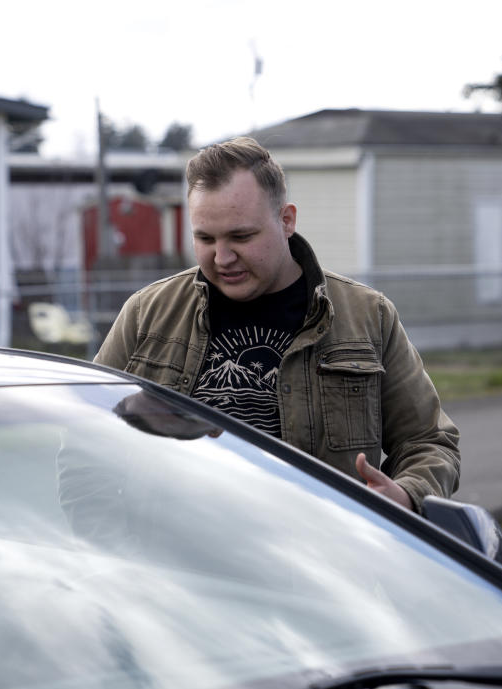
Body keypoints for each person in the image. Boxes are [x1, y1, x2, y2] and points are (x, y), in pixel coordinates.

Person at [94, 136, 459, 512]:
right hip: (173, 563)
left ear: (286, 221)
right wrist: (102, 541)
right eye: (205, 238)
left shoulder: (367, 316)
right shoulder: (146, 314)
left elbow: (429, 442)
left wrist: (406, 495)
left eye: (242, 236)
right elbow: (88, 438)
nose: (222, 257)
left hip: (320, 561)